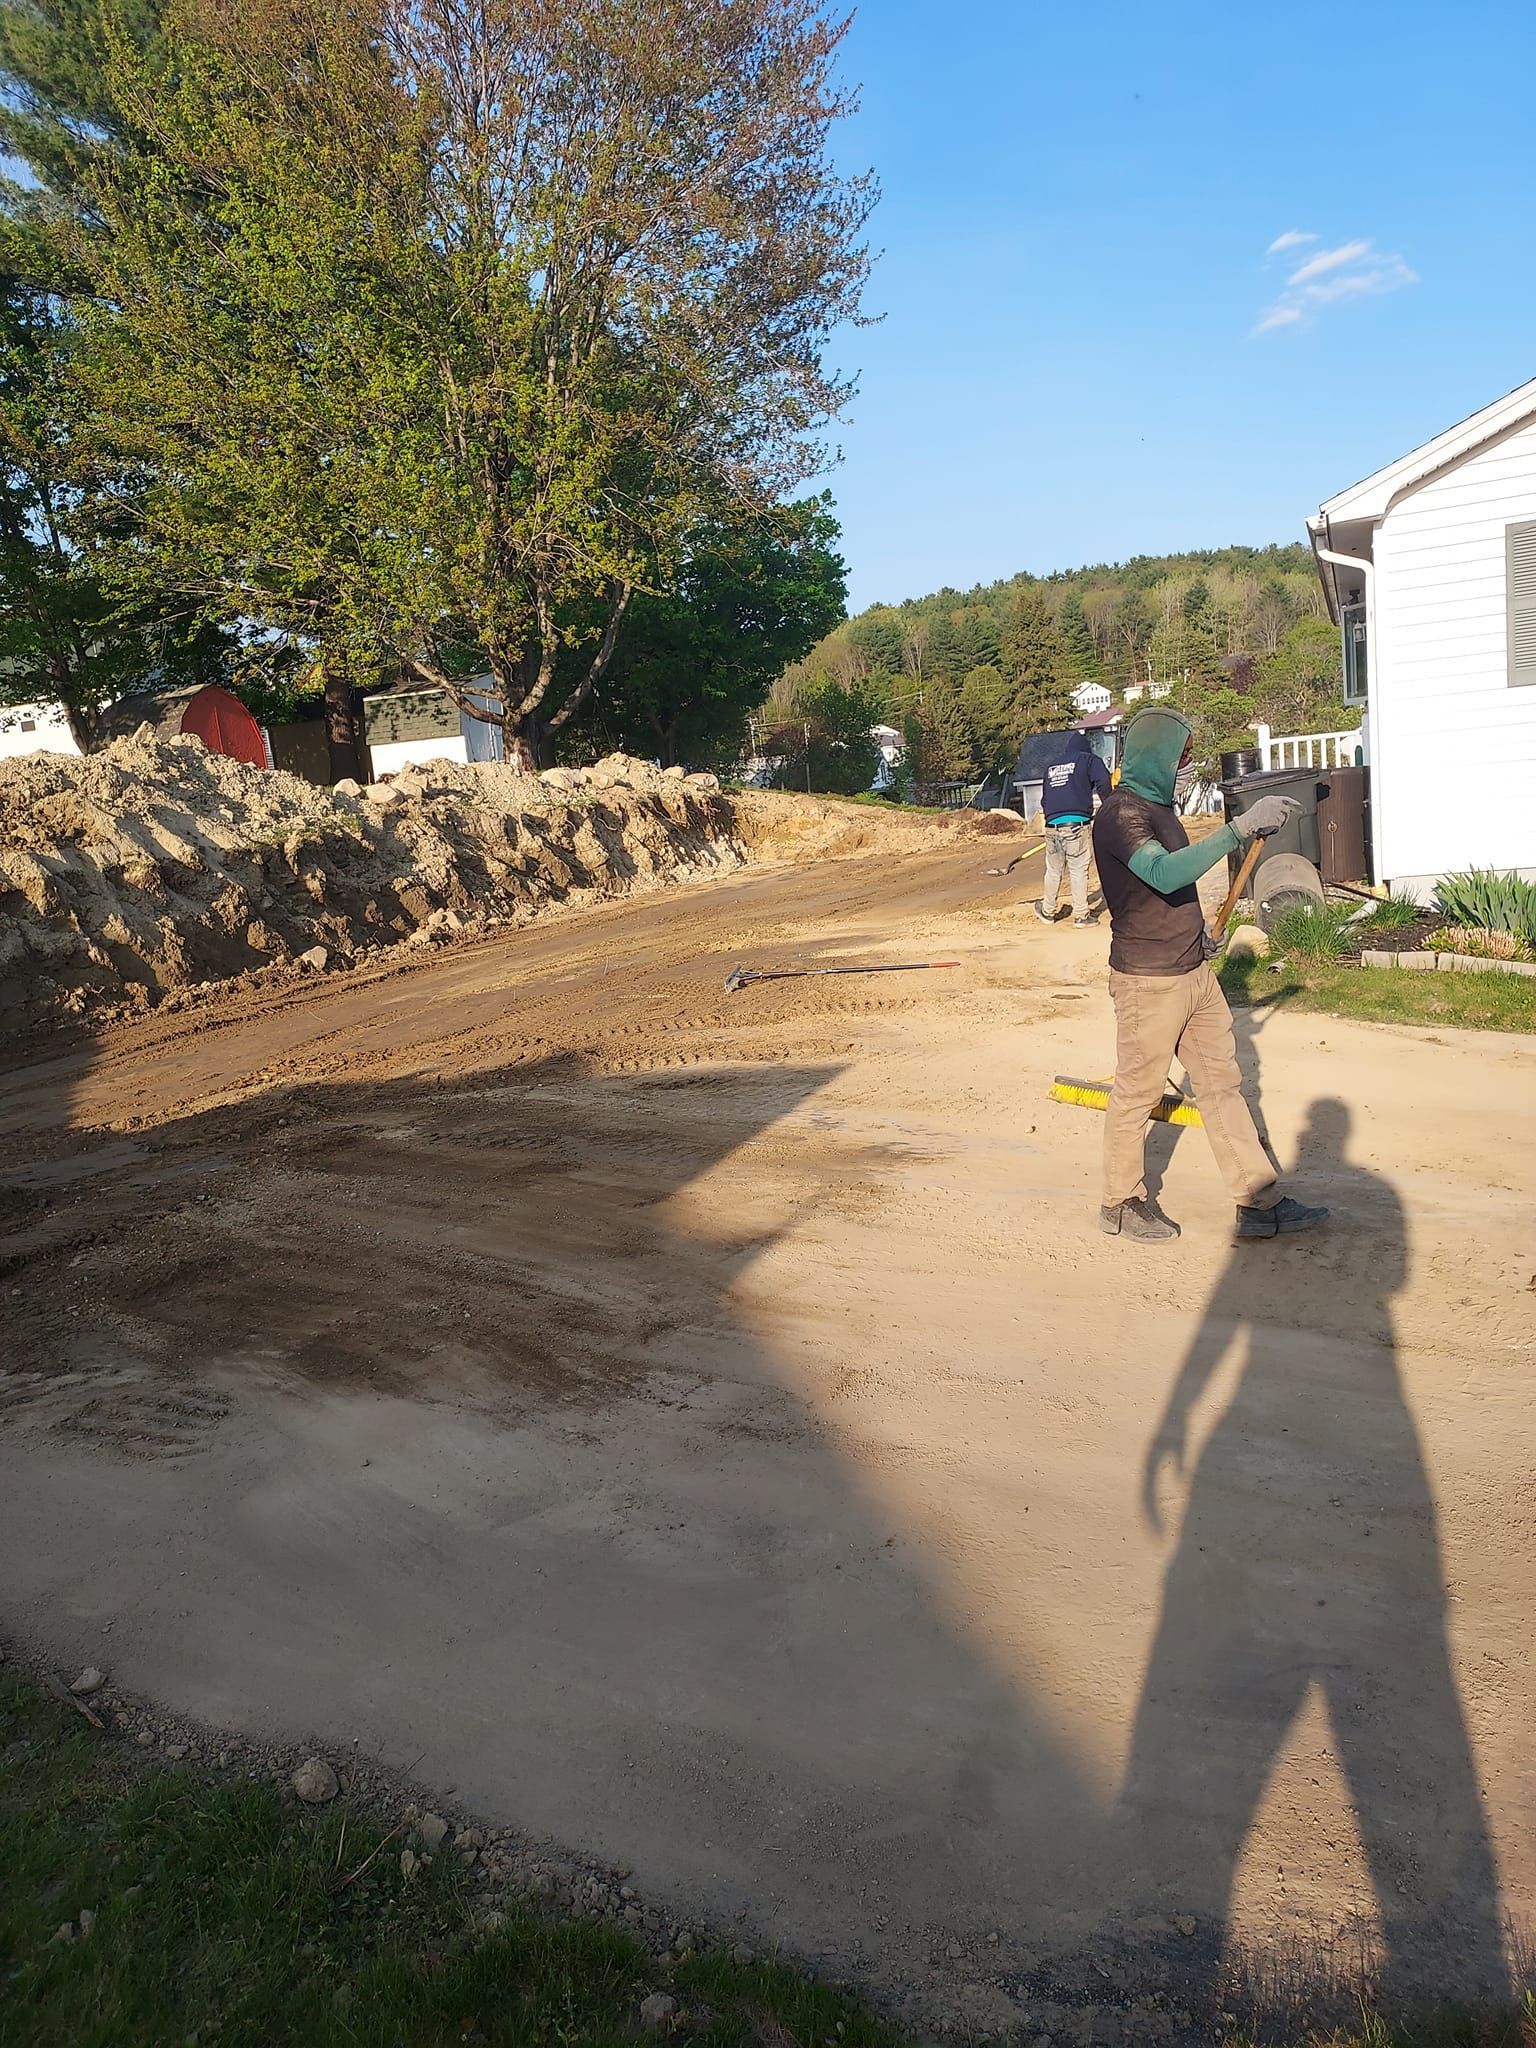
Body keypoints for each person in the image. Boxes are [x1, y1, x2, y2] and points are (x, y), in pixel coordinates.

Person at [1090, 706, 1330, 1243]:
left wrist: (1200, 933)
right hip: (1147, 981)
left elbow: (1171, 893)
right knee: (1137, 1091)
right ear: (1157, 753)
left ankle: (1257, 1201)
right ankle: (1120, 1202)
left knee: (1223, 1085)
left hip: (1193, 972)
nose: (1184, 768)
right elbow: (1161, 870)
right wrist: (1238, 828)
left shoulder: (1160, 810)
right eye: (1181, 757)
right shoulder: (1120, 814)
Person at [1034, 729, 1112, 927]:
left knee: (1053, 870)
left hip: (1052, 826)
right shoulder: (1088, 760)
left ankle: (1048, 911)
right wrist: (1110, 805)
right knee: (1078, 869)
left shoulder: (1051, 766)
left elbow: (1045, 799)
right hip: (1076, 825)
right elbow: (1103, 780)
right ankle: (1081, 915)